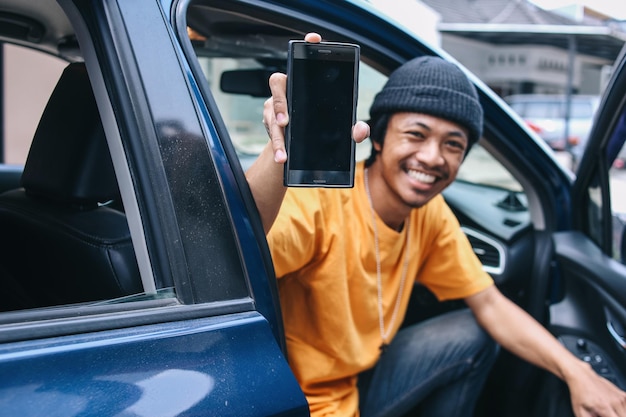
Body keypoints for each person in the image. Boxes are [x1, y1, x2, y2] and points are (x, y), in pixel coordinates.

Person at [246, 32, 626, 417]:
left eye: (453, 145)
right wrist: (280, 151)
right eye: (416, 134)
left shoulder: (430, 213)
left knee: (474, 330)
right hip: (299, 400)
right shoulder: (317, 201)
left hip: (358, 385)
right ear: (378, 138)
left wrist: (577, 372)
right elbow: (237, 249)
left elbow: (490, 305)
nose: (432, 157)